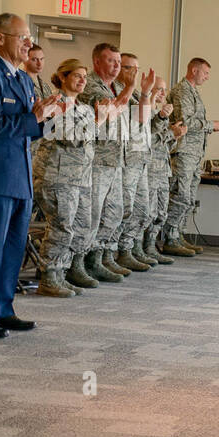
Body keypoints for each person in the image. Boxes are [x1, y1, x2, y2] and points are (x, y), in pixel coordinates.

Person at [0, 13, 69, 338]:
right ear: (0, 38)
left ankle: (2, 308)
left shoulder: (22, 79)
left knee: (13, 246)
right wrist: (33, 116)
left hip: (19, 173)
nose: (28, 43)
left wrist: (48, 118)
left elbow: (29, 131)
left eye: (29, 37)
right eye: (21, 37)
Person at [76, 42, 140, 284]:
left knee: (114, 214)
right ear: (96, 62)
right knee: (89, 217)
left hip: (115, 161)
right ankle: (78, 264)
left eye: (118, 62)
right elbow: (110, 112)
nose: (116, 66)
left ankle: (99, 258)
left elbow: (136, 116)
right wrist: (131, 88)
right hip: (97, 162)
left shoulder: (115, 87)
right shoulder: (91, 85)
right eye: (111, 61)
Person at [32, 58, 96, 298]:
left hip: (80, 177)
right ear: (63, 77)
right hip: (56, 176)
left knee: (77, 227)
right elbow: (70, 136)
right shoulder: (53, 104)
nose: (82, 81)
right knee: (61, 226)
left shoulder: (83, 108)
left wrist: (91, 127)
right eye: (77, 75)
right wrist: (92, 127)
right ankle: (48, 276)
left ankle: (61, 273)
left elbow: (92, 135)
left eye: (85, 77)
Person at [163, 57, 219, 256]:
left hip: (194, 153)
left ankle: (178, 235)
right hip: (183, 152)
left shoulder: (193, 91)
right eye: (205, 73)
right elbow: (185, 122)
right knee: (180, 195)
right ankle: (169, 237)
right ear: (193, 70)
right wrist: (211, 125)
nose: (207, 77)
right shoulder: (182, 91)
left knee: (188, 197)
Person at [111, 52, 154, 272]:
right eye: (129, 68)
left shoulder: (135, 93)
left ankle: (128, 249)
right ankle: (112, 254)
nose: (133, 73)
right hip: (124, 159)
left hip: (139, 159)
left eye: (136, 69)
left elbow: (144, 118)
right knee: (121, 210)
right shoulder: (114, 90)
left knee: (142, 210)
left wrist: (145, 93)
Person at [144, 79, 184, 264]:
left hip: (162, 169)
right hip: (149, 169)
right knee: (147, 213)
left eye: (164, 90)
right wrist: (171, 133)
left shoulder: (161, 114)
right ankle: (141, 249)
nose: (162, 93)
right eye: (158, 89)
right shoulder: (146, 113)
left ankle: (151, 247)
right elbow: (149, 140)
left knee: (161, 213)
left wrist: (174, 135)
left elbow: (164, 144)